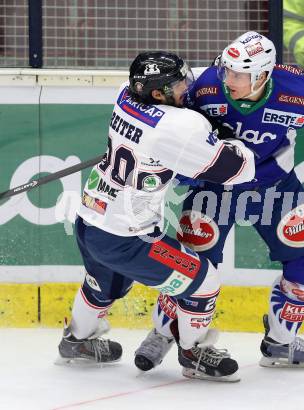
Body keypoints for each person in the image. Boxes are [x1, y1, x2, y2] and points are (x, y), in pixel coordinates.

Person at [134, 31, 304, 369]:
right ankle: (162, 332)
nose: (227, 79)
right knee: (191, 265)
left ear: (262, 75)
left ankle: (281, 342)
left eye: (237, 74)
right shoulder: (204, 86)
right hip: (215, 186)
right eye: (225, 69)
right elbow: (161, 117)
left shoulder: (299, 89)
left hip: (275, 186)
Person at [56, 50, 258, 382]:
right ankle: (193, 353)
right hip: (128, 237)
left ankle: (75, 342)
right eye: (179, 83)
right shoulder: (177, 126)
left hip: (91, 218)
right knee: (203, 282)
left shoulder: (125, 94)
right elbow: (238, 169)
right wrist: (229, 140)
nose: (187, 87)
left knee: (102, 287)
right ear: (158, 92)